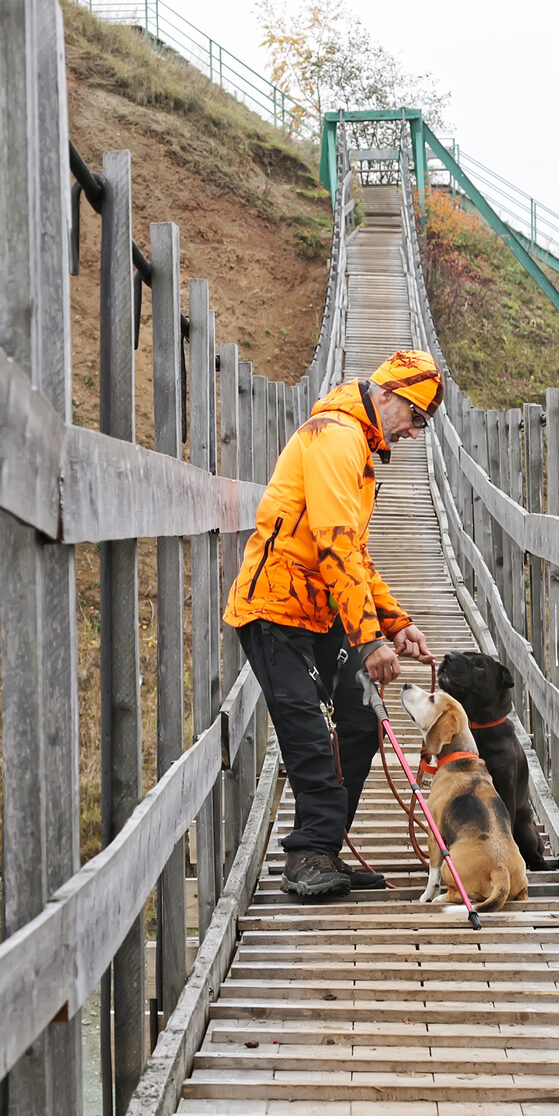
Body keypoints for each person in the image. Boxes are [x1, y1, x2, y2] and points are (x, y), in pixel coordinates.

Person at [224, 350, 441, 898]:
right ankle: (309, 855)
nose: (416, 432)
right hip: (275, 605)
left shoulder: (360, 448)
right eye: (415, 417)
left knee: (360, 718)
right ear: (387, 395)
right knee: (308, 731)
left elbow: (357, 556)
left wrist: (394, 624)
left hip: (320, 610)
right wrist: (368, 641)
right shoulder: (336, 438)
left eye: (424, 424)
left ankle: (323, 849)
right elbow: (334, 545)